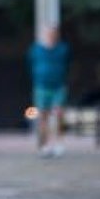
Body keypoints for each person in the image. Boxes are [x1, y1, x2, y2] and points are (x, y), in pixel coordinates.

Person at [27, 24, 72, 157]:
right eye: (48, 33)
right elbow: (30, 65)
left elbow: (67, 64)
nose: (50, 36)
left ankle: (59, 143)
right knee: (42, 117)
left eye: (53, 33)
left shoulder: (63, 49)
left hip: (58, 87)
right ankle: (44, 145)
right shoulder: (35, 50)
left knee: (59, 113)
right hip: (41, 87)